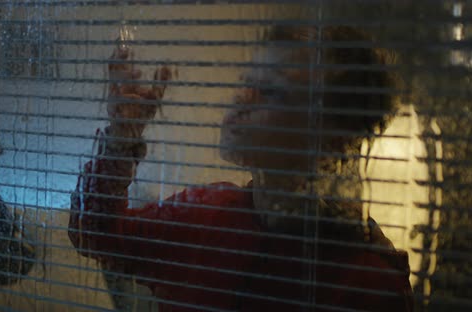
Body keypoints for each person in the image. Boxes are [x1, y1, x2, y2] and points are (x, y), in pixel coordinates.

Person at [68, 26, 413, 311]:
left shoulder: (367, 278)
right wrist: (120, 137)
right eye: (247, 80)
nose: (241, 97)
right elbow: (96, 235)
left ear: (332, 140)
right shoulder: (207, 213)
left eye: (271, 90)